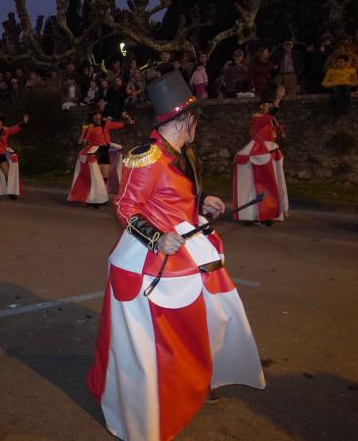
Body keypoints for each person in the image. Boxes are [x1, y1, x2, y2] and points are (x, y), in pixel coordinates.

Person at [86, 70, 265, 441]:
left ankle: (199, 379)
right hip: (156, 258)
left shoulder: (186, 153)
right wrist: (155, 238)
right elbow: (124, 207)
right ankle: (173, 388)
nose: (197, 125)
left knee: (215, 315)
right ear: (185, 120)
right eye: (195, 119)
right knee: (168, 335)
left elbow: (176, 197)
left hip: (191, 249)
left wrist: (203, 202)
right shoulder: (145, 157)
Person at [233, 88, 289, 225]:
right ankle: (255, 214)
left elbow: (274, 126)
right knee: (258, 186)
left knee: (270, 186)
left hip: (268, 154)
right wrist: (278, 99)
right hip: (258, 155)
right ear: (262, 106)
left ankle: (267, 213)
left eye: (271, 104)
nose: (270, 106)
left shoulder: (270, 120)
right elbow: (268, 116)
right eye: (268, 104)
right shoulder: (258, 118)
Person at [68, 109, 135, 207]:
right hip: (94, 153)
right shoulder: (89, 127)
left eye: (99, 114)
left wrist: (127, 122)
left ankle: (99, 196)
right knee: (96, 178)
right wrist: (82, 138)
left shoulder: (106, 124)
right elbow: (82, 141)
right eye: (95, 115)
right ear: (92, 117)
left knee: (105, 175)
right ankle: (92, 200)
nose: (97, 116)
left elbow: (117, 125)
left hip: (104, 152)